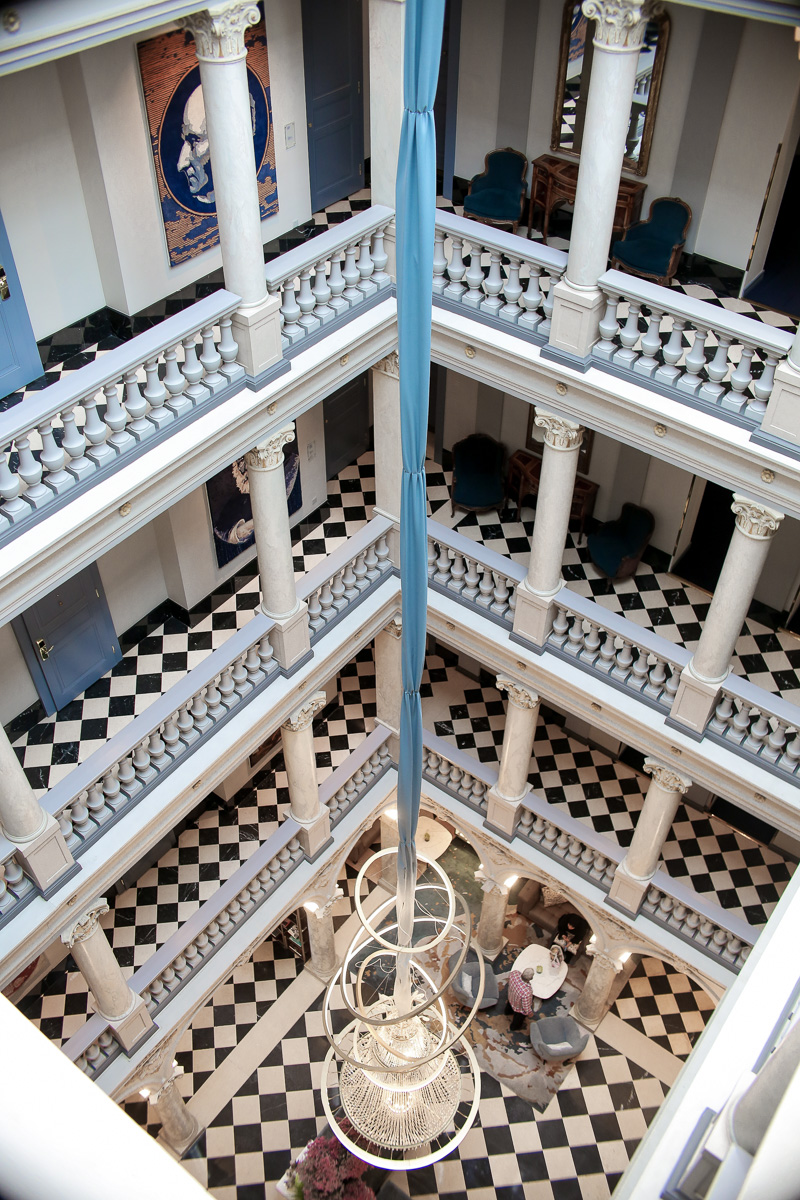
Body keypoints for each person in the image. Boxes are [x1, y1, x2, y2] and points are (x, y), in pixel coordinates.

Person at [505, 965, 536, 1032]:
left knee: (509, 1006)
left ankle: (507, 1012)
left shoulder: (514, 973)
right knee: (518, 1019)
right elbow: (526, 1006)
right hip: (518, 1007)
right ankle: (514, 1027)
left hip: (511, 996)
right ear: (530, 978)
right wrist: (529, 1012)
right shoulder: (527, 992)